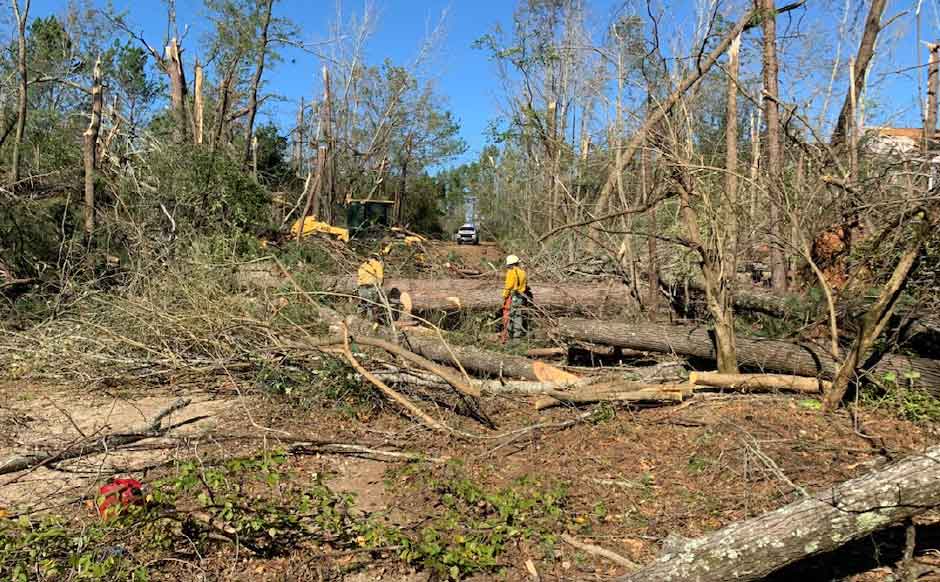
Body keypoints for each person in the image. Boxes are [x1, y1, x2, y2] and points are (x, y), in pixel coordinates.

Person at [502, 254, 529, 340]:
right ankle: (517, 335)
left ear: (510, 264)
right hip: (521, 297)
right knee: (518, 316)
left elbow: (509, 286)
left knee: (509, 315)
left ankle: (509, 335)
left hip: (513, 296)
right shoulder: (523, 272)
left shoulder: (511, 272)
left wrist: (504, 295)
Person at [357, 252, 384, 321]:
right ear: (376, 258)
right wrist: (379, 287)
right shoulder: (377, 264)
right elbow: (380, 277)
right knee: (371, 306)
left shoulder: (363, 265)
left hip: (361, 288)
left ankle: (359, 320)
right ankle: (370, 322)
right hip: (371, 287)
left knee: (362, 305)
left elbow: (360, 277)